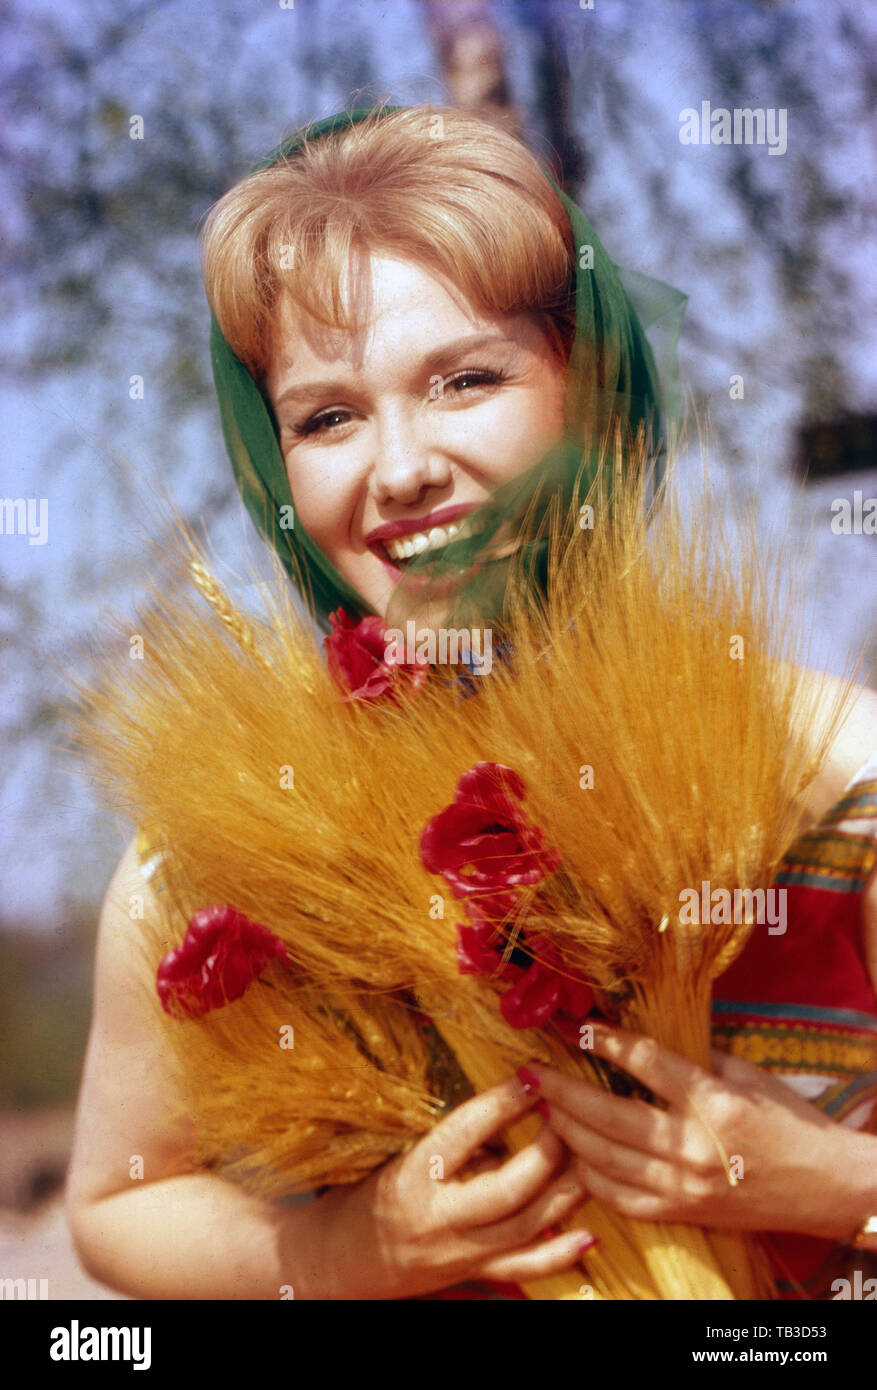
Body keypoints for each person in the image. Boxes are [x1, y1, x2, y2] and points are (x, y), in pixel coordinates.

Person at [66, 102, 877, 1301]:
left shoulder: (836, 772)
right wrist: (341, 1252)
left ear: (587, 391)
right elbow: (118, 1200)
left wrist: (822, 1182)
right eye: (327, 415)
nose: (398, 469)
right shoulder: (215, 859)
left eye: (464, 379)